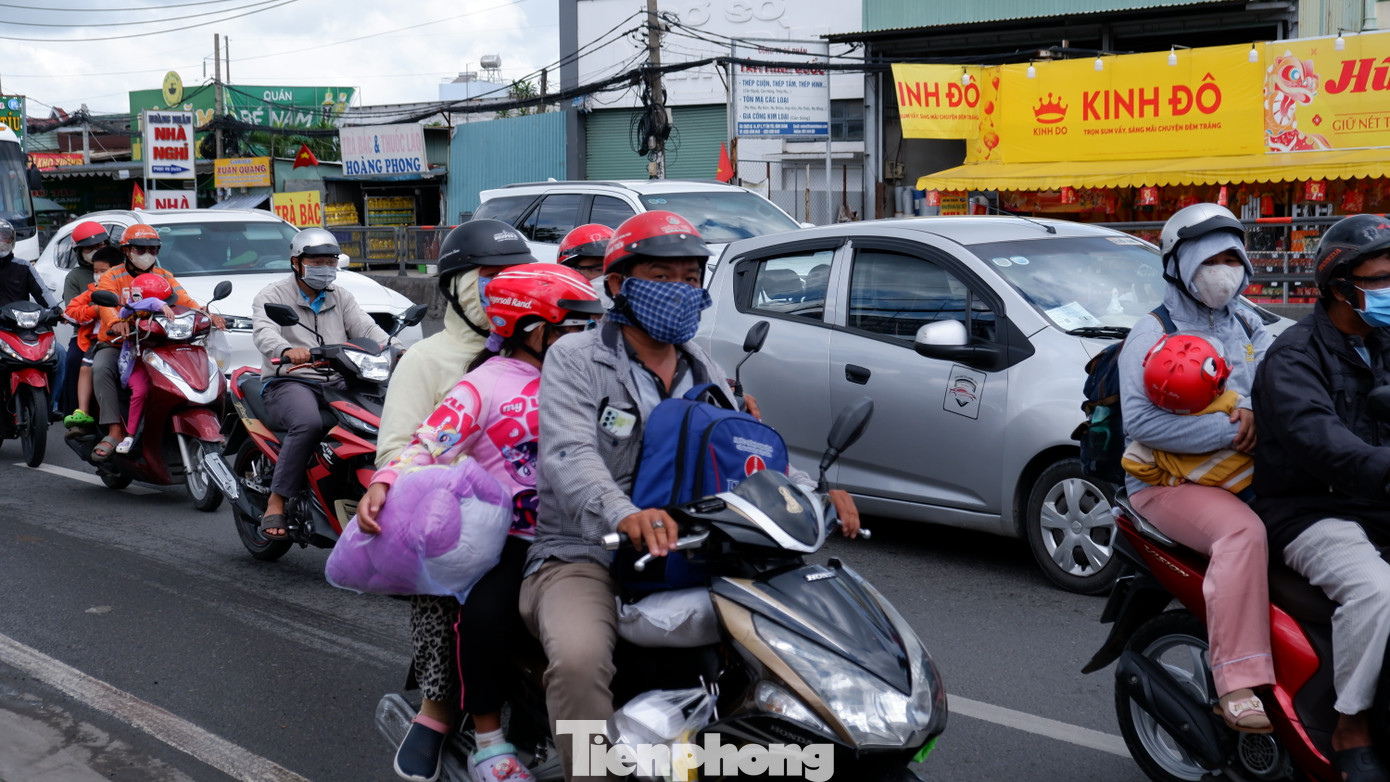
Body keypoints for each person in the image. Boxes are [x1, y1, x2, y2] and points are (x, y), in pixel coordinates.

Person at [518, 211, 861, 781]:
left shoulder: (704, 366)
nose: (680, 290)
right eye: (662, 277)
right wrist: (624, 514)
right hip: (586, 553)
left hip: (694, 553)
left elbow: (746, 449)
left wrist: (813, 493)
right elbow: (568, 453)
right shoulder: (575, 357)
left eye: (690, 277)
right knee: (579, 662)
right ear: (617, 284)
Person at [357, 265, 602, 782]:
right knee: (483, 615)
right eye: (571, 328)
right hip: (513, 537)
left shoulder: (591, 378)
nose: (583, 338)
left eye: (587, 328)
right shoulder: (483, 384)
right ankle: (487, 740)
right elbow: (427, 444)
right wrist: (385, 482)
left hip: (587, 532)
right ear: (531, 329)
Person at [1117, 202, 1275, 733]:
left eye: (1233, 259)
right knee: (1242, 534)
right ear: (1179, 265)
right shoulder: (1151, 332)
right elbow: (1142, 423)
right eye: (1211, 260)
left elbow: (1283, 375)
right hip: (1167, 481)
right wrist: (1237, 428)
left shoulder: (1249, 322)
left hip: (1240, 474)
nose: (1223, 271)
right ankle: (1237, 682)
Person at [1252, 213, 1390, 782]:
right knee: (1376, 591)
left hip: (1375, 499)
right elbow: (1321, 441)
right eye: (1380, 279)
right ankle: (1350, 725)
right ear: (1339, 287)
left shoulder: (1383, 341)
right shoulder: (1294, 357)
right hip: (1310, 509)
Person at [251, 227, 389, 539]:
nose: (325, 268)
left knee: (376, 420)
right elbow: (264, 331)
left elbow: (366, 328)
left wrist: (397, 348)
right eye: (316, 262)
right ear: (296, 263)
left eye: (330, 261)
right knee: (308, 423)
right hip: (291, 380)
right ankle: (277, 500)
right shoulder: (273, 296)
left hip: (339, 380)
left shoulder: (341, 296)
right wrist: (286, 350)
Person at [375, 219, 537, 469]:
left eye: (515, 274)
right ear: (458, 287)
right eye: (493, 275)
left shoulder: (536, 351)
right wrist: (471, 477)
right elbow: (392, 456)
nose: (507, 285)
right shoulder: (424, 359)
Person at [90, 224, 218, 462]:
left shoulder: (164, 275)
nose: (147, 254)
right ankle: (114, 430)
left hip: (158, 342)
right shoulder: (112, 276)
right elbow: (106, 306)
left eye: (153, 249)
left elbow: (184, 300)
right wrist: (116, 323)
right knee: (101, 368)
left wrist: (206, 314)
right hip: (121, 343)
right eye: (140, 249)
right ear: (126, 251)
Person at [1121, 333, 1254, 502]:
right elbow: (1256, 418)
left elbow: (1131, 462)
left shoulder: (1157, 437)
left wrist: (1168, 478)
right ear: (1218, 383)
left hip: (1212, 489)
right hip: (1250, 477)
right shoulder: (1229, 400)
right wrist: (1248, 408)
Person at [111, 273, 179, 454]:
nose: (165, 305)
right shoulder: (129, 309)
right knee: (140, 391)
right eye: (162, 303)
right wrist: (159, 304)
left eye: (166, 302)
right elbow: (128, 310)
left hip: (166, 356)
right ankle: (130, 435)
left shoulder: (168, 307)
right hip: (138, 360)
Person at [62, 246, 120, 432]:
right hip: (97, 340)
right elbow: (70, 311)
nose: (98, 275)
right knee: (84, 366)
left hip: (128, 339)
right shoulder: (91, 291)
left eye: (103, 271)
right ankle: (82, 411)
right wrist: (93, 310)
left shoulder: (128, 288)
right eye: (96, 271)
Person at [59, 222, 110, 415]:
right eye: (89, 248)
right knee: (73, 360)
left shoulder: (120, 270)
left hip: (118, 331)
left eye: (100, 245)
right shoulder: (74, 277)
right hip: (85, 335)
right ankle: (75, 413)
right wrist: (96, 310)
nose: (96, 250)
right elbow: (72, 311)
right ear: (79, 252)